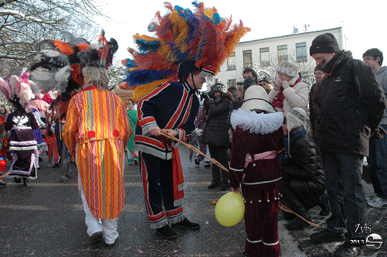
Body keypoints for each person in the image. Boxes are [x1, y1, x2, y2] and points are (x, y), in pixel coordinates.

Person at [124, 2, 249, 241]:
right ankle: (158, 222)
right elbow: (144, 104)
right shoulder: (171, 88)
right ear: (189, 74)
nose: (204, 82)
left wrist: (177, 133)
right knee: (154, 183)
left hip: (168, 144)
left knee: (170, 182)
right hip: (150, 142)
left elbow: (190, 126)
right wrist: (151, 125)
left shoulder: (195, 99)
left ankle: (176, 217)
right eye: (202, 76)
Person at [309, 33, 386, 257]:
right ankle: (336, 227)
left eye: (320, 58)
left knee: (352, 192)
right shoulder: (329, 76)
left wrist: (367, 128)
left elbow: (376, 100)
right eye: (315, 59)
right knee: (334, 188)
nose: (318, 63)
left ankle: (357, 236)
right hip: (331, 142)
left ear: (332, 52)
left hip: (350, 140)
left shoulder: (355, 67)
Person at [63, 65, 131, 247]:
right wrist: (120, 147)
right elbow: (126, 129)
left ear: (88, 78)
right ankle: (111, 234)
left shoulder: (78, 100)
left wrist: (73, 151)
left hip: (88, 148)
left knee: (87, 187)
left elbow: (69, 130)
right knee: (113, 188)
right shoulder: (116, 100)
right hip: (113, 147)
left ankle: (94, 227)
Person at [229, 85, 284, 257]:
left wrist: (234, 184)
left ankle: (253, 251)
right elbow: (281, 148)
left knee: (253, 218)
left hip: (252, 179)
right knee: (271, 217)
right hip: (273, 177)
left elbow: (236, 161)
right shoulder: (275, 124)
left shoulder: (241, 128)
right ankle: (272, 251)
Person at [280, 107, 326, 230]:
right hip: (308, 178)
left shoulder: (304, 143)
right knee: (288, 214)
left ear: (292, 124)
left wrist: (284, 169)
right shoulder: (293, 140)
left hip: (316, 181)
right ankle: (320, 200)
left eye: (285, 123)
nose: (282, 126)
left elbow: (309, 172)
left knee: (283, 185)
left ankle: (304, 217)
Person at [362, 48, 387, 208]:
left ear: (377, 59)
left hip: (382, 124)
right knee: (373, 161)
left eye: (368, 59)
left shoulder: (384, 75)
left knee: (380, 161)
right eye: (363, 59)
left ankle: (384, 196)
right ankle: (379, 193)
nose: (365, 62)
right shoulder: (368, 77)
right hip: (370, 125)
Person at [202, 83, 232, 191]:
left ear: (222, 92)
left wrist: (209, 101)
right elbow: (206, 113)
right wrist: (207, 102)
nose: (216, 94)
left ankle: (226, 181)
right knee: (214, 159)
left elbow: (215, 110)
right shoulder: (213, 102)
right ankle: (216, 181)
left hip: (220, 134)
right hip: (212, 134)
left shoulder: (226, 102)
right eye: (214, 92)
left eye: (217, 92)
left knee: (222, 160)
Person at [309, 65, 326, 145]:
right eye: (316, 73)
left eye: (320, 73)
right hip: (315, 120)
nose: (317, 75)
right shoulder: (313, 87)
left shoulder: (328, 86)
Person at [126, 100, 138, 165]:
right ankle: (136, 157)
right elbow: (137, 122)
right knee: (135, 145)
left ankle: (130, 160)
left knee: (128, 146)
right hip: (134, 130)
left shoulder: (124, 112)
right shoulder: (135, 113)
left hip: (127, 131)